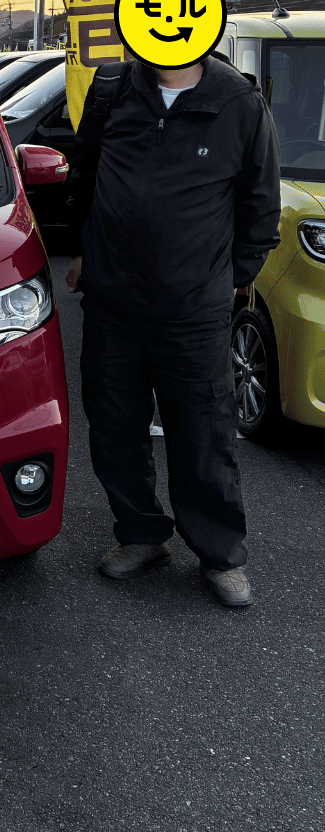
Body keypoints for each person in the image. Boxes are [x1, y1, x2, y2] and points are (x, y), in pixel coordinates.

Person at [64, 49, 280, 608]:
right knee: (114, 426)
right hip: (112, 302)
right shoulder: (113, 90)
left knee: (204, 433)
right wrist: (85, 250)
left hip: (194, 309)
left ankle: (221, 554)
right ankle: (141, 534)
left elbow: (261, 203)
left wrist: (233, 277)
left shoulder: (238, 102)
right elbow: (84, 174)